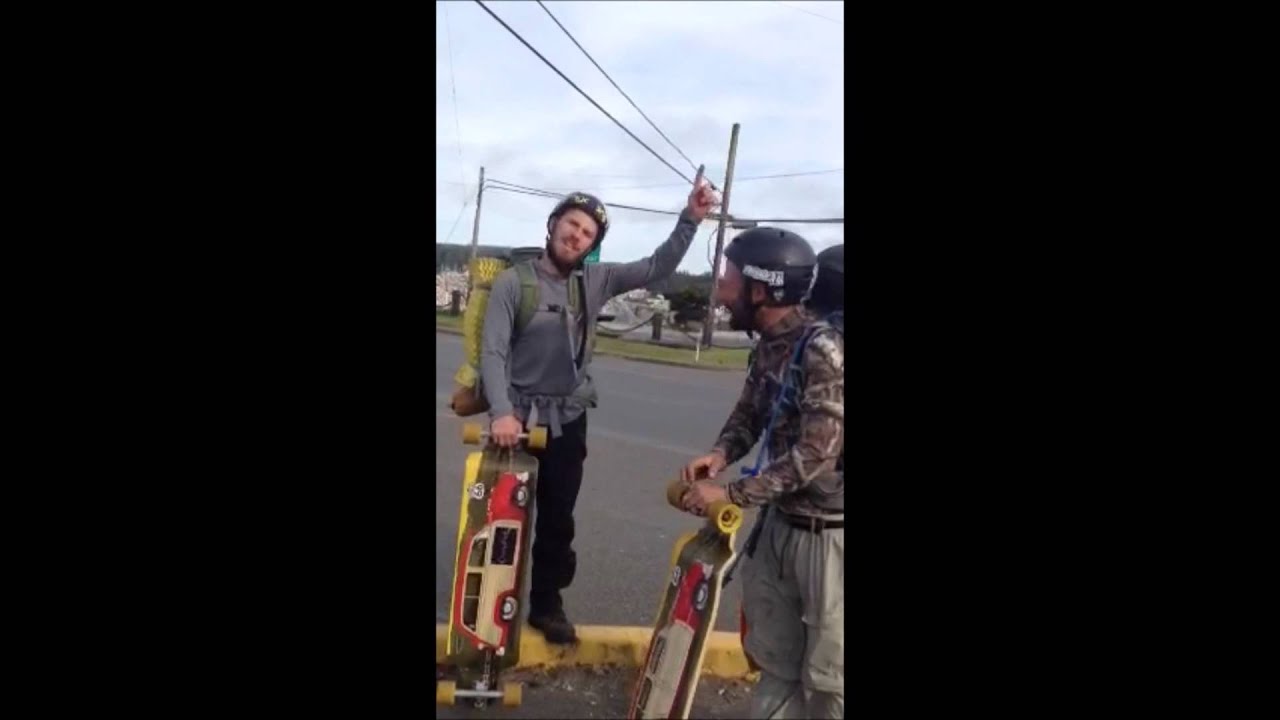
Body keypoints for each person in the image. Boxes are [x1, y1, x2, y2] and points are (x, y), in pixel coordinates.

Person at [480, 181, 719, 644]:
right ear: (554, 224)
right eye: (572, 223)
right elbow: (493, 352)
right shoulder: (514, 283)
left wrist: (690, 220)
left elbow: (657, 266)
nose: (577, 235)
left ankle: (546, 605)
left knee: (557, 520)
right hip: (516, 422)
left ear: (592, 244)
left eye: (588, 232)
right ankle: (489, 604)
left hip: (567, 421)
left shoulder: (597, 281)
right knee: (501, 518)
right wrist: (502, 413)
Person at [679, 228, 844, 718]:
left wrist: (730, 494)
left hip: (828, 538)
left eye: (728, 278)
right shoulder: (771, 343)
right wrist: (720, 453)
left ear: (760, 290)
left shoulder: (824, 352)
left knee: (830, 680)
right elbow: (751, 413)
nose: (720, 288)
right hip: (779, 524)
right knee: (774, 661)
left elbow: (817, 454)